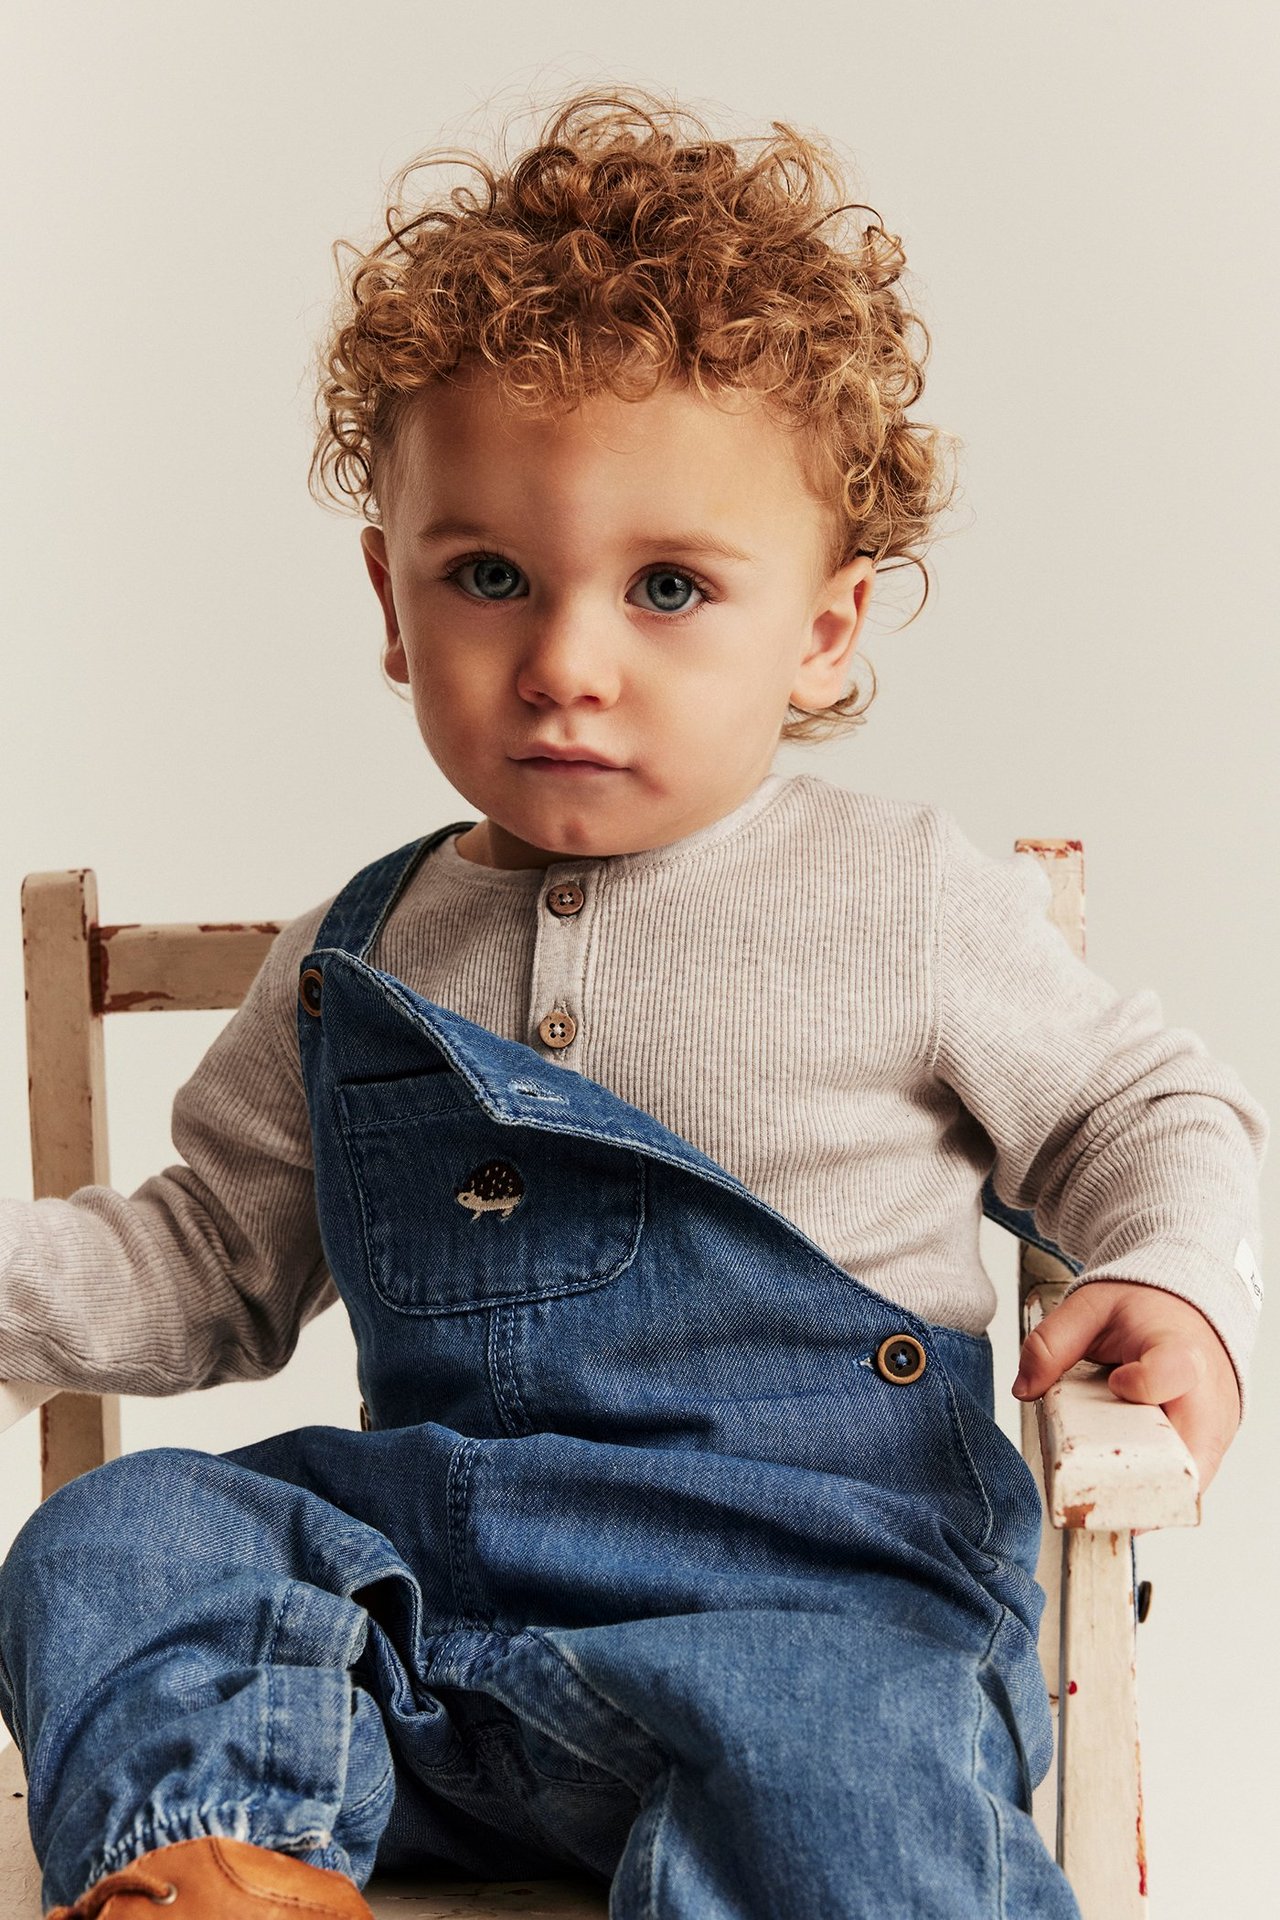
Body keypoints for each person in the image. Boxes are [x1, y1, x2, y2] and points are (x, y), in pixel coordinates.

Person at [0, 85, 1266, 1920]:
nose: (566, 663)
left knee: (857, 1753)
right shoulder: (361, 954)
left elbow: (1137, 1108)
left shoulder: (899, 897)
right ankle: (231, 1864)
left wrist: (1172, 1277)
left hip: (814, 1609)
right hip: (427, 1629)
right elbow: (210, 1263)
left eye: (668, 587)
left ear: (821, 631)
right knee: (125, 1535)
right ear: (391, 599)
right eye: (488, 578)